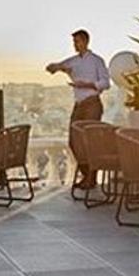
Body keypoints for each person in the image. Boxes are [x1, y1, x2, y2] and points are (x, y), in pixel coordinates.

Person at [46, 28, 110, 189]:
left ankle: (90, 178)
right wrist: (57, 67)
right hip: (79, 105)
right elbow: (53, 68)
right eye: (74, 42)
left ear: (86, 41)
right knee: (74, 142)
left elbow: (106, 83)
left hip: (92, 104)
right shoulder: (73, 61)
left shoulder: (97, 61)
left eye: (78, 41)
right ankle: (87, 174)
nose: (75, 45)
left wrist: (87, 84)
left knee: (90, 141)